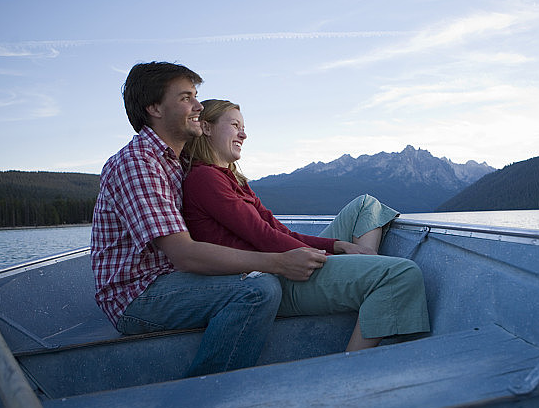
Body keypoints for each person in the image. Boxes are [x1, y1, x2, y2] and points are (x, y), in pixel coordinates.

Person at [90, 62, 327, 377]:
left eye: (196, 96)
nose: (199, 107)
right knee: (258, 289)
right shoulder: (137, 163)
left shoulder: (176, 162)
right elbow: (184, 255)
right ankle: (206, 391)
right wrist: (279, 262)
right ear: (154, 108)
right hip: (137, 297)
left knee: (257, 278)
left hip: (170, 280)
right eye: (186, 98)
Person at [182, 99, 430, 351]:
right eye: (235, 126)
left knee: (367, 205)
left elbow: (280, 231)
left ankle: (368, 283)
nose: (244, 135)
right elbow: (263, 237)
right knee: (401, 274)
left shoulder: (235, 181)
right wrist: (329, 258)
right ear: (207, 128)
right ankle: (351, 362)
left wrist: (338, 245)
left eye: (243, 128)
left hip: (282, 262)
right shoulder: (205, 178)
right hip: (272, 277)